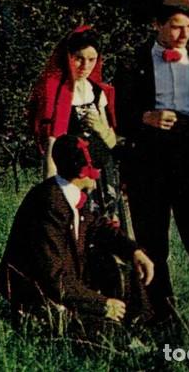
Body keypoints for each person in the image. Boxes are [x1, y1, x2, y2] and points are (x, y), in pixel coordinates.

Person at [114, 0, 189, 325]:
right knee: (151, 242)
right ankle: (161, 316)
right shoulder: (134, 59)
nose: (184, 34)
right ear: (156, 25)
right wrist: (144, 118)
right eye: (176, 27)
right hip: (148, 158)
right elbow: (119, 112)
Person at [0, 135, 155, 336]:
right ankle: (123, 337)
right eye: (98, 167)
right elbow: (52, 277)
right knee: (104, 334)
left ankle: (141, 327)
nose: (101, 174)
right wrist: (101, 304)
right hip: (37, 297)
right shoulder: (50, 204)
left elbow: (99, 229)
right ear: (83, 171)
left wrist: (135, 251)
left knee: (117, 267)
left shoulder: (69, 193)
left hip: (63, 286)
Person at [30, 25, 127, 226]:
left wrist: (100, 127)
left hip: (103, 175)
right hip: (74, 177)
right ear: (68, 57)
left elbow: (112, 142)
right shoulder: (57, 94)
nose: (85, 66)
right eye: (79, 58)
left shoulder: (99, 92)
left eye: (91, 60)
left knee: (109, 231)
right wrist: (52, 190)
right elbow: (52, 145)